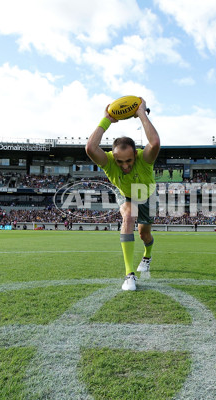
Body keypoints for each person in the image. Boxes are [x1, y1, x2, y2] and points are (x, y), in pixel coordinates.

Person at [85, 98, 160, 291]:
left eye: (129, 161)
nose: (125, 166)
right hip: (126, 194)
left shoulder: (144, 158)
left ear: (135, 154)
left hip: (146, 194)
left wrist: (141, 112)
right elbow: (90, 148)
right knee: (128, 216)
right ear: (113, 156)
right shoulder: (109, 161)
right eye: (120, 162)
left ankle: (147, 255)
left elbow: (155, 142)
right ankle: (129, 275)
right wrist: (107, 119)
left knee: (145, 234)